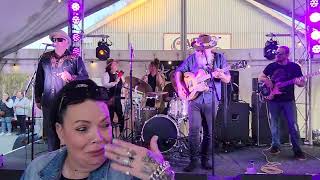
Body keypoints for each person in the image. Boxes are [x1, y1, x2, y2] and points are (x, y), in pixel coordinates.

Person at [21, 79, 174, 180]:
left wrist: (162, 174)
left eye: (105, 125)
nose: (98, 137)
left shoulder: (127, 173)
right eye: (82, 128)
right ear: (60, 132)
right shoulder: (37, 171)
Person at [175, 34, 231, 172]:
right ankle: (193, 160)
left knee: (209, 132)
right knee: (194, 131)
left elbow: (227, 79)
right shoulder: (192, 59)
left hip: (211, 99)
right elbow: (178, 71)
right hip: (194, 100)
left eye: (201, 49)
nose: (198, 51)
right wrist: (180, 86)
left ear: (208, 48)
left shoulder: (219, 59)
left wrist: (221, 75)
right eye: (197, 48)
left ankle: (205, 160)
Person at [34, 30, 89, 151]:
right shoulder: (45, 58)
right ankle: (53, 163)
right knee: (52, 134)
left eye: (59, 40)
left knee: (70, 132)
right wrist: (37, 98)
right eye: (54, 40)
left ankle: (71, 163)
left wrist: (72, 77)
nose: (56, 42)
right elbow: (39, 79)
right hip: (49, 101)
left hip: (67, 102)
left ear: (66, 42)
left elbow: (85, 77)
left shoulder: (75, 59)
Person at [258, 45, 306, 160]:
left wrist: (298, 82)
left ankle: (297, 149)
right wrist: (267, 80)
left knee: (293, 125)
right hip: (273, 100)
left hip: (288, 100)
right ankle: (275, 145)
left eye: (280, 54)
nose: (277, 55)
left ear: (287, 55)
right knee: (274, 124)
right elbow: (261, 76)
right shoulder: (271, 66)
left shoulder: (294, 67)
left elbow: (302, 83)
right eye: (277, 53)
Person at [101, 59, 125, 133]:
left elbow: (124, 83)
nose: (116, 66)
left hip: (118, 99)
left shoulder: (119, 75)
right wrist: (114, 82)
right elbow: (105, 85)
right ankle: (109, 135)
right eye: (114, 64)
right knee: (109, 118)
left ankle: (121, 133)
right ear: (110, 66)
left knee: (121, 116)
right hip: (109, 99)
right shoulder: (106, 74)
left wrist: (125, 84)